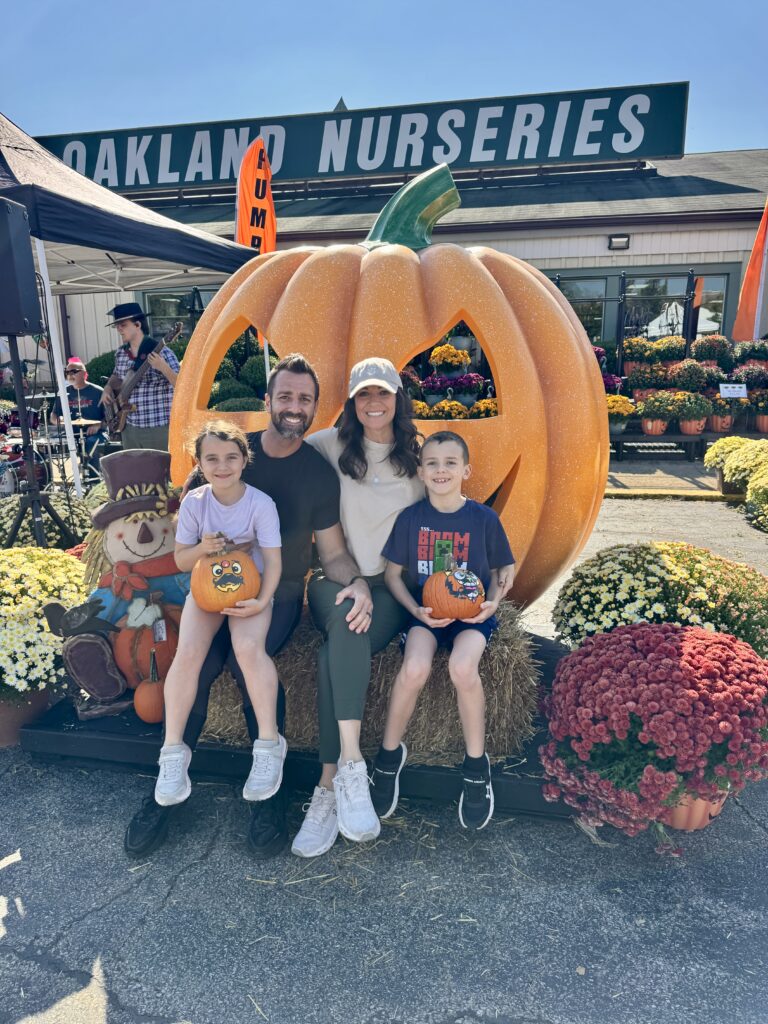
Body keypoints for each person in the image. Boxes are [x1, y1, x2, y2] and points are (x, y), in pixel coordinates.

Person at [124, 354, 373, 860]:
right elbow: (189, 535)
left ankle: (268, 794)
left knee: (244, 660)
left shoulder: (317, 475)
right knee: (196, 661)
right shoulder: (229, 452)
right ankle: (165, 789)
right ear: (268, 401)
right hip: (211, 588)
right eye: (286, 396)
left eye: (304, 399)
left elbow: (333, 554)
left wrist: (359, 583)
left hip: (275, 595)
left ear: (315, 407)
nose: (294, 406)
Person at [295, 357, 423, 855]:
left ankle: (328, 786)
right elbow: (274, 454)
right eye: (364, 394)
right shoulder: (328, 444)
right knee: (347, 613)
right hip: (334, 577)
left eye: (382, 393)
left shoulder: (417, 456)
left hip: (390, 587)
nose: (374, 402)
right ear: (351, 401)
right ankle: (353, 764)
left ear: (397, 398)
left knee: (339, 646)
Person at [368, 431, 515, 831]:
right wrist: (415, 609)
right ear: (420, 472)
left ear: (465, 470)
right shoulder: (411, 519)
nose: (440, 470)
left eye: (450, 462)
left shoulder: (483, 519)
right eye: (431, 463)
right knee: (414, 669)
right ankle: (388, 757)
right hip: (427, 614)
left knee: (463, 669)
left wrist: (493, 602)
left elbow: (503, 569)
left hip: (472, 616)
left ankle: (476, 766)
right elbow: (393, 575)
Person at [153, 420, 284, 810]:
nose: (222, 466)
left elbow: (274, 562)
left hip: (250, 587)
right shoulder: (195, 503)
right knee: (189, 652)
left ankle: (269, 743)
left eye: (230, 457)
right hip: (206, 587)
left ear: (244, 460)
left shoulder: (260, 504)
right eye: (212, 459)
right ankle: (172, 752)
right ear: (199, 462)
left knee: (247, 649)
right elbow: (181, 560)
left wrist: (262, 600)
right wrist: (202, 549)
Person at [101, 302, 180, 451]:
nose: (119, 329)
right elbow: (116, 375)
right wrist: (108, 387)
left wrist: (163, 367)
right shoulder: (121, 353)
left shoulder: (163, 352)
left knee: (160, 466)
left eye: (123, 325)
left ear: (137, 325)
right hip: (129, 427)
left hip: (158, 427)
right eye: (117, 326)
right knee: (133, 466)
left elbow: (182, 386)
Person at [50, 357, 107, 470]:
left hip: (96, 434)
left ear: (84, 374)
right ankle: (66, 477)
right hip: (72, 434)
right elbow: (53, 415)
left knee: (91, 442)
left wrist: (98, 425)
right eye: (67, 372)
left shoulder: (98, 392)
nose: (70, 375)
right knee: (55, 442)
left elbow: (111, 417)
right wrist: (57, 420)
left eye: (74, 371)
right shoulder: (63, 392)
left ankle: (93, 476)